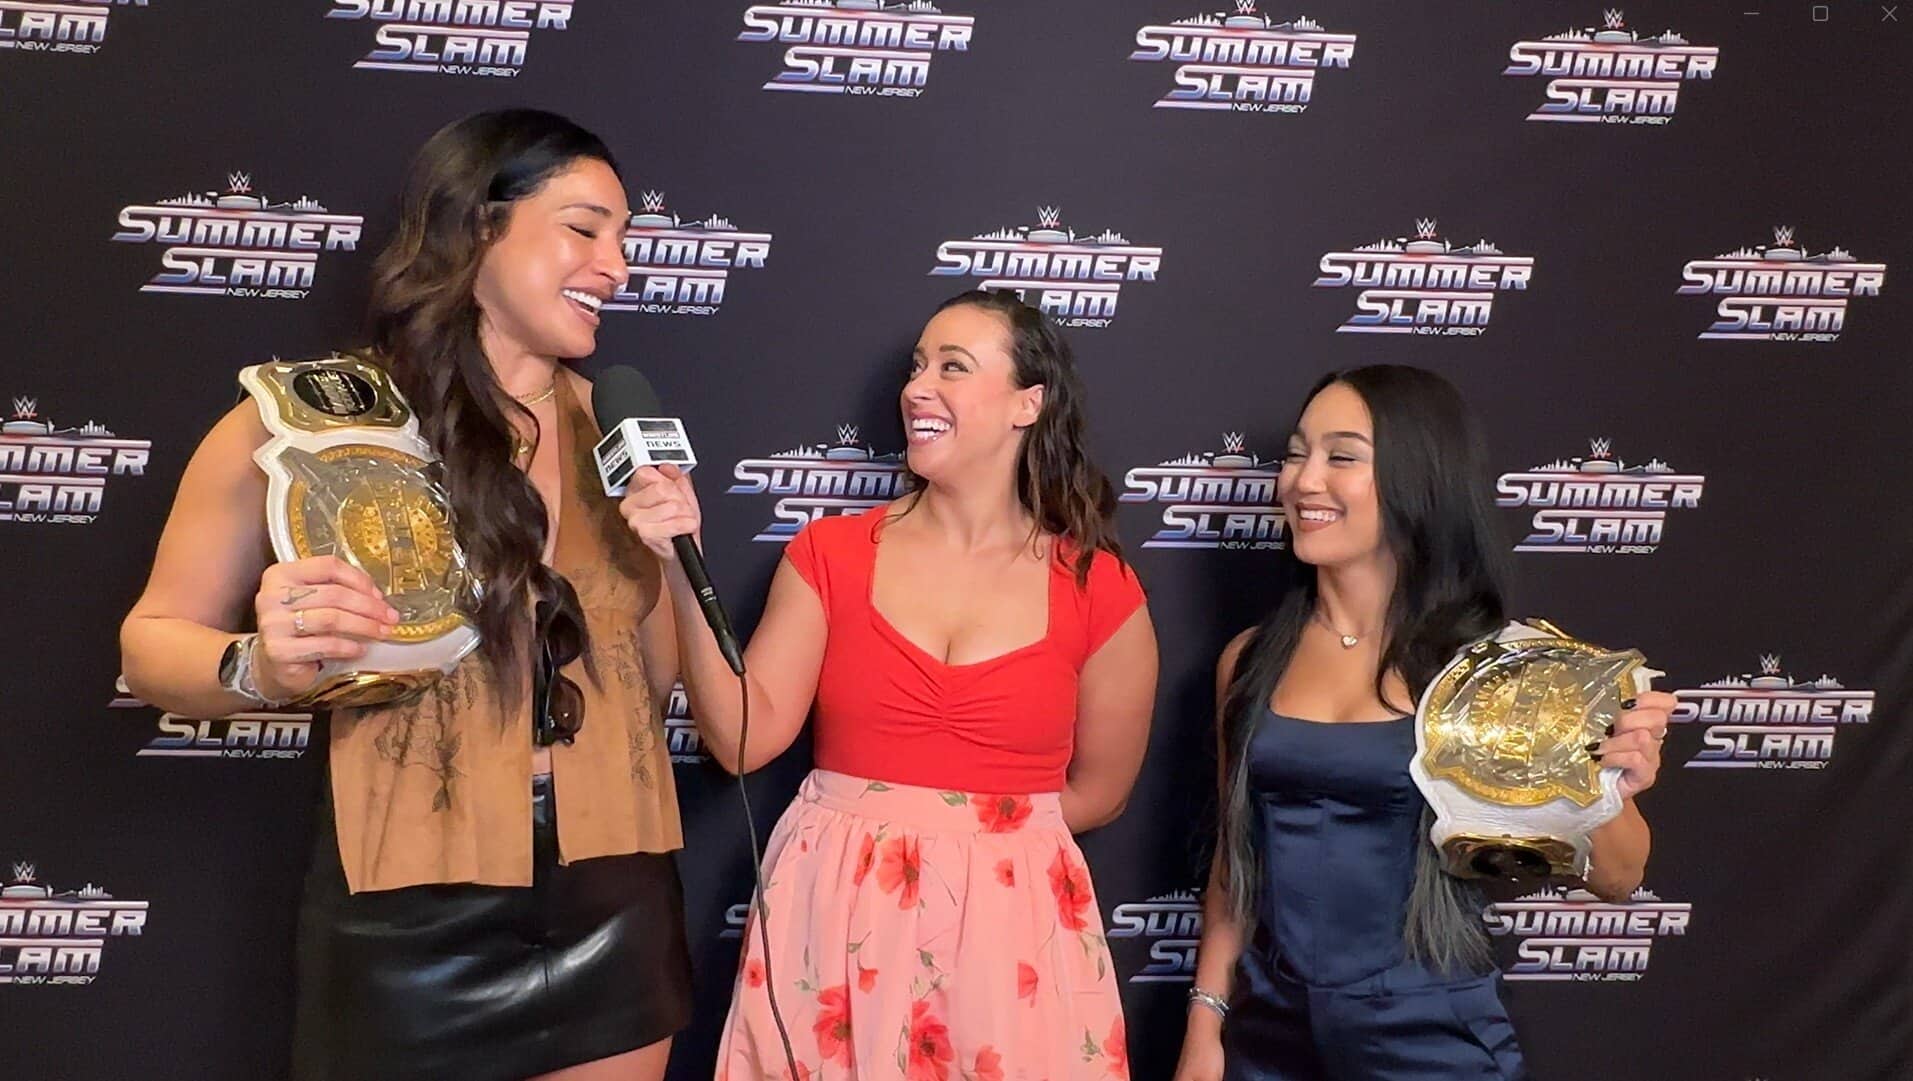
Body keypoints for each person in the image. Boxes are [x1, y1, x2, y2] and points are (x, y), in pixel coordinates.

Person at [118, 110, 693, 1081]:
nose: (617, 267)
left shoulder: (619, 430)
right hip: (412, 914)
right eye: (584, 229)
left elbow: (654, 680)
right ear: (477, 225)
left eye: (624, 238)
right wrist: (261, 666)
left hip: (616, 890)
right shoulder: (320, 419)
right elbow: (150, 643)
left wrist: (671, 554)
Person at [621, 290, 1159, 1079]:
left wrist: (969, 850)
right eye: (916, 367)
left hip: (1009, 936)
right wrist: (679, 562)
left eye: (952, 367)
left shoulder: (1099, 589)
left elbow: (1100, 793)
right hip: (838, 913)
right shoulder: (831, 553)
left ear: (1027, 403)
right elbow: (741, 738)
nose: (917, 388)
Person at [1171, 366, 1675, 1081]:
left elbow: (1620, 879)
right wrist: (1204, 1026)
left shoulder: (1500, 669)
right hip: (1269, 1041)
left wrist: (1607, 787)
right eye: (1296, 453)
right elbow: (1233, 868)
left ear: (1419, 479)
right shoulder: (1248, 661)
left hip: (1431, 1041)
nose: (1303, 481)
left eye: (1342, 457)